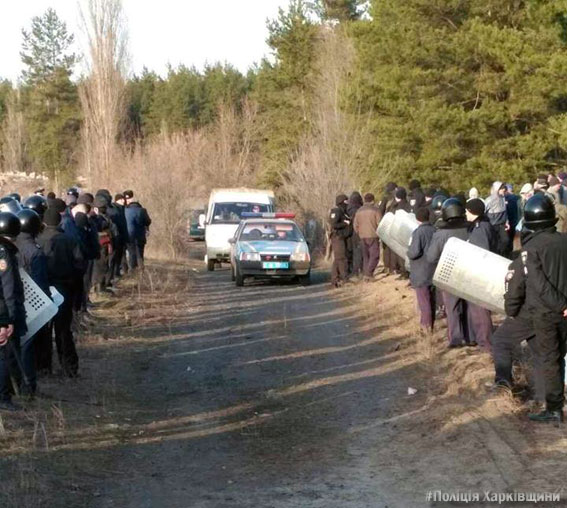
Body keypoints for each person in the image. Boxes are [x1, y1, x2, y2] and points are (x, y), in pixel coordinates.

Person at [520, 194, 567, 422]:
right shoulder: (564, 240)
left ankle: (555, 408)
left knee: (551, 360)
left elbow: (539, 284)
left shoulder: (531, 248)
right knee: (562, 357)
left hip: (547, 313)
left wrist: (562, 305)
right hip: (564, 311)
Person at [37, 208, 84, 377]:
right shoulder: (69, 240)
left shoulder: (39, 240)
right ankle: (69, 368)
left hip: (43, 290)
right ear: (59, 222)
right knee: (64, 330)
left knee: (44, 330)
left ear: (44, 222)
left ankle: (44, 367)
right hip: (65, 288)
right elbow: (80, 266)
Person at [490, 255, 543, 401]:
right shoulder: (559, 247)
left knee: (500, 341)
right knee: (540, 352)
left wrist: (511, 311)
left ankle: (503, 386)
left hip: (528, 312)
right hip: (549, 310)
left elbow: (514, 291)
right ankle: (544, 396)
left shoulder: (525, 259)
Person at [426, 198, 471, 348]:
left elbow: (431, 256)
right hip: (469, 272)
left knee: (452, 308)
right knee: (469, 306)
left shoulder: (441, 233)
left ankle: (456, 338)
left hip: (449, 273)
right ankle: (471, 336)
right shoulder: (470, 229)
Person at [15, 209, 49, 396]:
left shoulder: (10, 246)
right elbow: (40, 283)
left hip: (11, 302)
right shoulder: (35, 252)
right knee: (27, 345)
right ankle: (28, 386)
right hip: (29, 303)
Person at [0, 211, 27, 411]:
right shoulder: (3, 253)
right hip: (6, 311)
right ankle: (5, 396)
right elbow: (7, 287)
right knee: (5, 356)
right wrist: (7, 318)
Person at [465, 199, 495, 350]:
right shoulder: (478, 225)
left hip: (479, 274)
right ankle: (479, 338)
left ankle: (485, 341)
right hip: (475, 273)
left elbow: (482, 253)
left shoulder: (480, 228)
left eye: (467, 211)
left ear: (473, 212)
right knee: (474, 308)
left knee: (480, 309)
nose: (465, 213)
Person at [407, 208, 436, 333]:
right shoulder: (435, 230)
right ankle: (431, 325)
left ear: (417, 219)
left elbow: (414, 252)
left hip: (421, 272)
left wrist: (407, 251)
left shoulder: (418, 232)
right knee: (432, 301)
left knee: (424, 302)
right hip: (433, 271)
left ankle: (426, 328)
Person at [353, 193, 382, 281]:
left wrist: (359, 233)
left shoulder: (359, 211)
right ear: (373, 200)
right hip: (373, 235)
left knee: (366, 256)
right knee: (375, 255)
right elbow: (380, 224)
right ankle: (369, 273)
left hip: (362, 236)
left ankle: (366, 274)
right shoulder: (376, 210)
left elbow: (355, 225)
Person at [124, 190, 151, 270]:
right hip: (140, 235)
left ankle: (132, 269)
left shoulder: (125, 210)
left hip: (129, 235)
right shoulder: (142, 210)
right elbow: (148, 221)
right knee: (140, 253)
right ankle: (141, 268)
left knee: (131, 253)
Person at [329, 193, 351, 288]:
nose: (347, 204)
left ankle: (335, 279)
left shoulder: (342, 211)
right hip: (337, 238)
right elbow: (334, 225)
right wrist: (345, 223)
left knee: (338, 259)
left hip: (340, 238)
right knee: (341, 259)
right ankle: (344, 278)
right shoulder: (337, 211)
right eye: (345, 202)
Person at [485, 181, 509, 257]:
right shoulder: (489, 200)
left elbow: (505, 212)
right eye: (501, 188)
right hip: (492, 226)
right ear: (497, 189)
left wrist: (507, 222)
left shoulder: (503, 199)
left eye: (504, 188)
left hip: (501, 225)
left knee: (505, 241)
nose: (504, 190)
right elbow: (484, 212)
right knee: (494, 244)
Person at [378, 182, 397, 275]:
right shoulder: (394, 199)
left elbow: (379, 211)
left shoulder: (384, 199)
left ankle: (387, 266)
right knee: (393, 247)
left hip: (385, 225)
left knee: (386, 247)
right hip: (393, 225)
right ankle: (393, 267)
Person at [347, 192, 363, 279]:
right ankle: (357, 270)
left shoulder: (348, 209)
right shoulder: (358, 210)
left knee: (354, 252)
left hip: (350, 234)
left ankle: (354, 270)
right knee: (358, 252)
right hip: (357, 233)